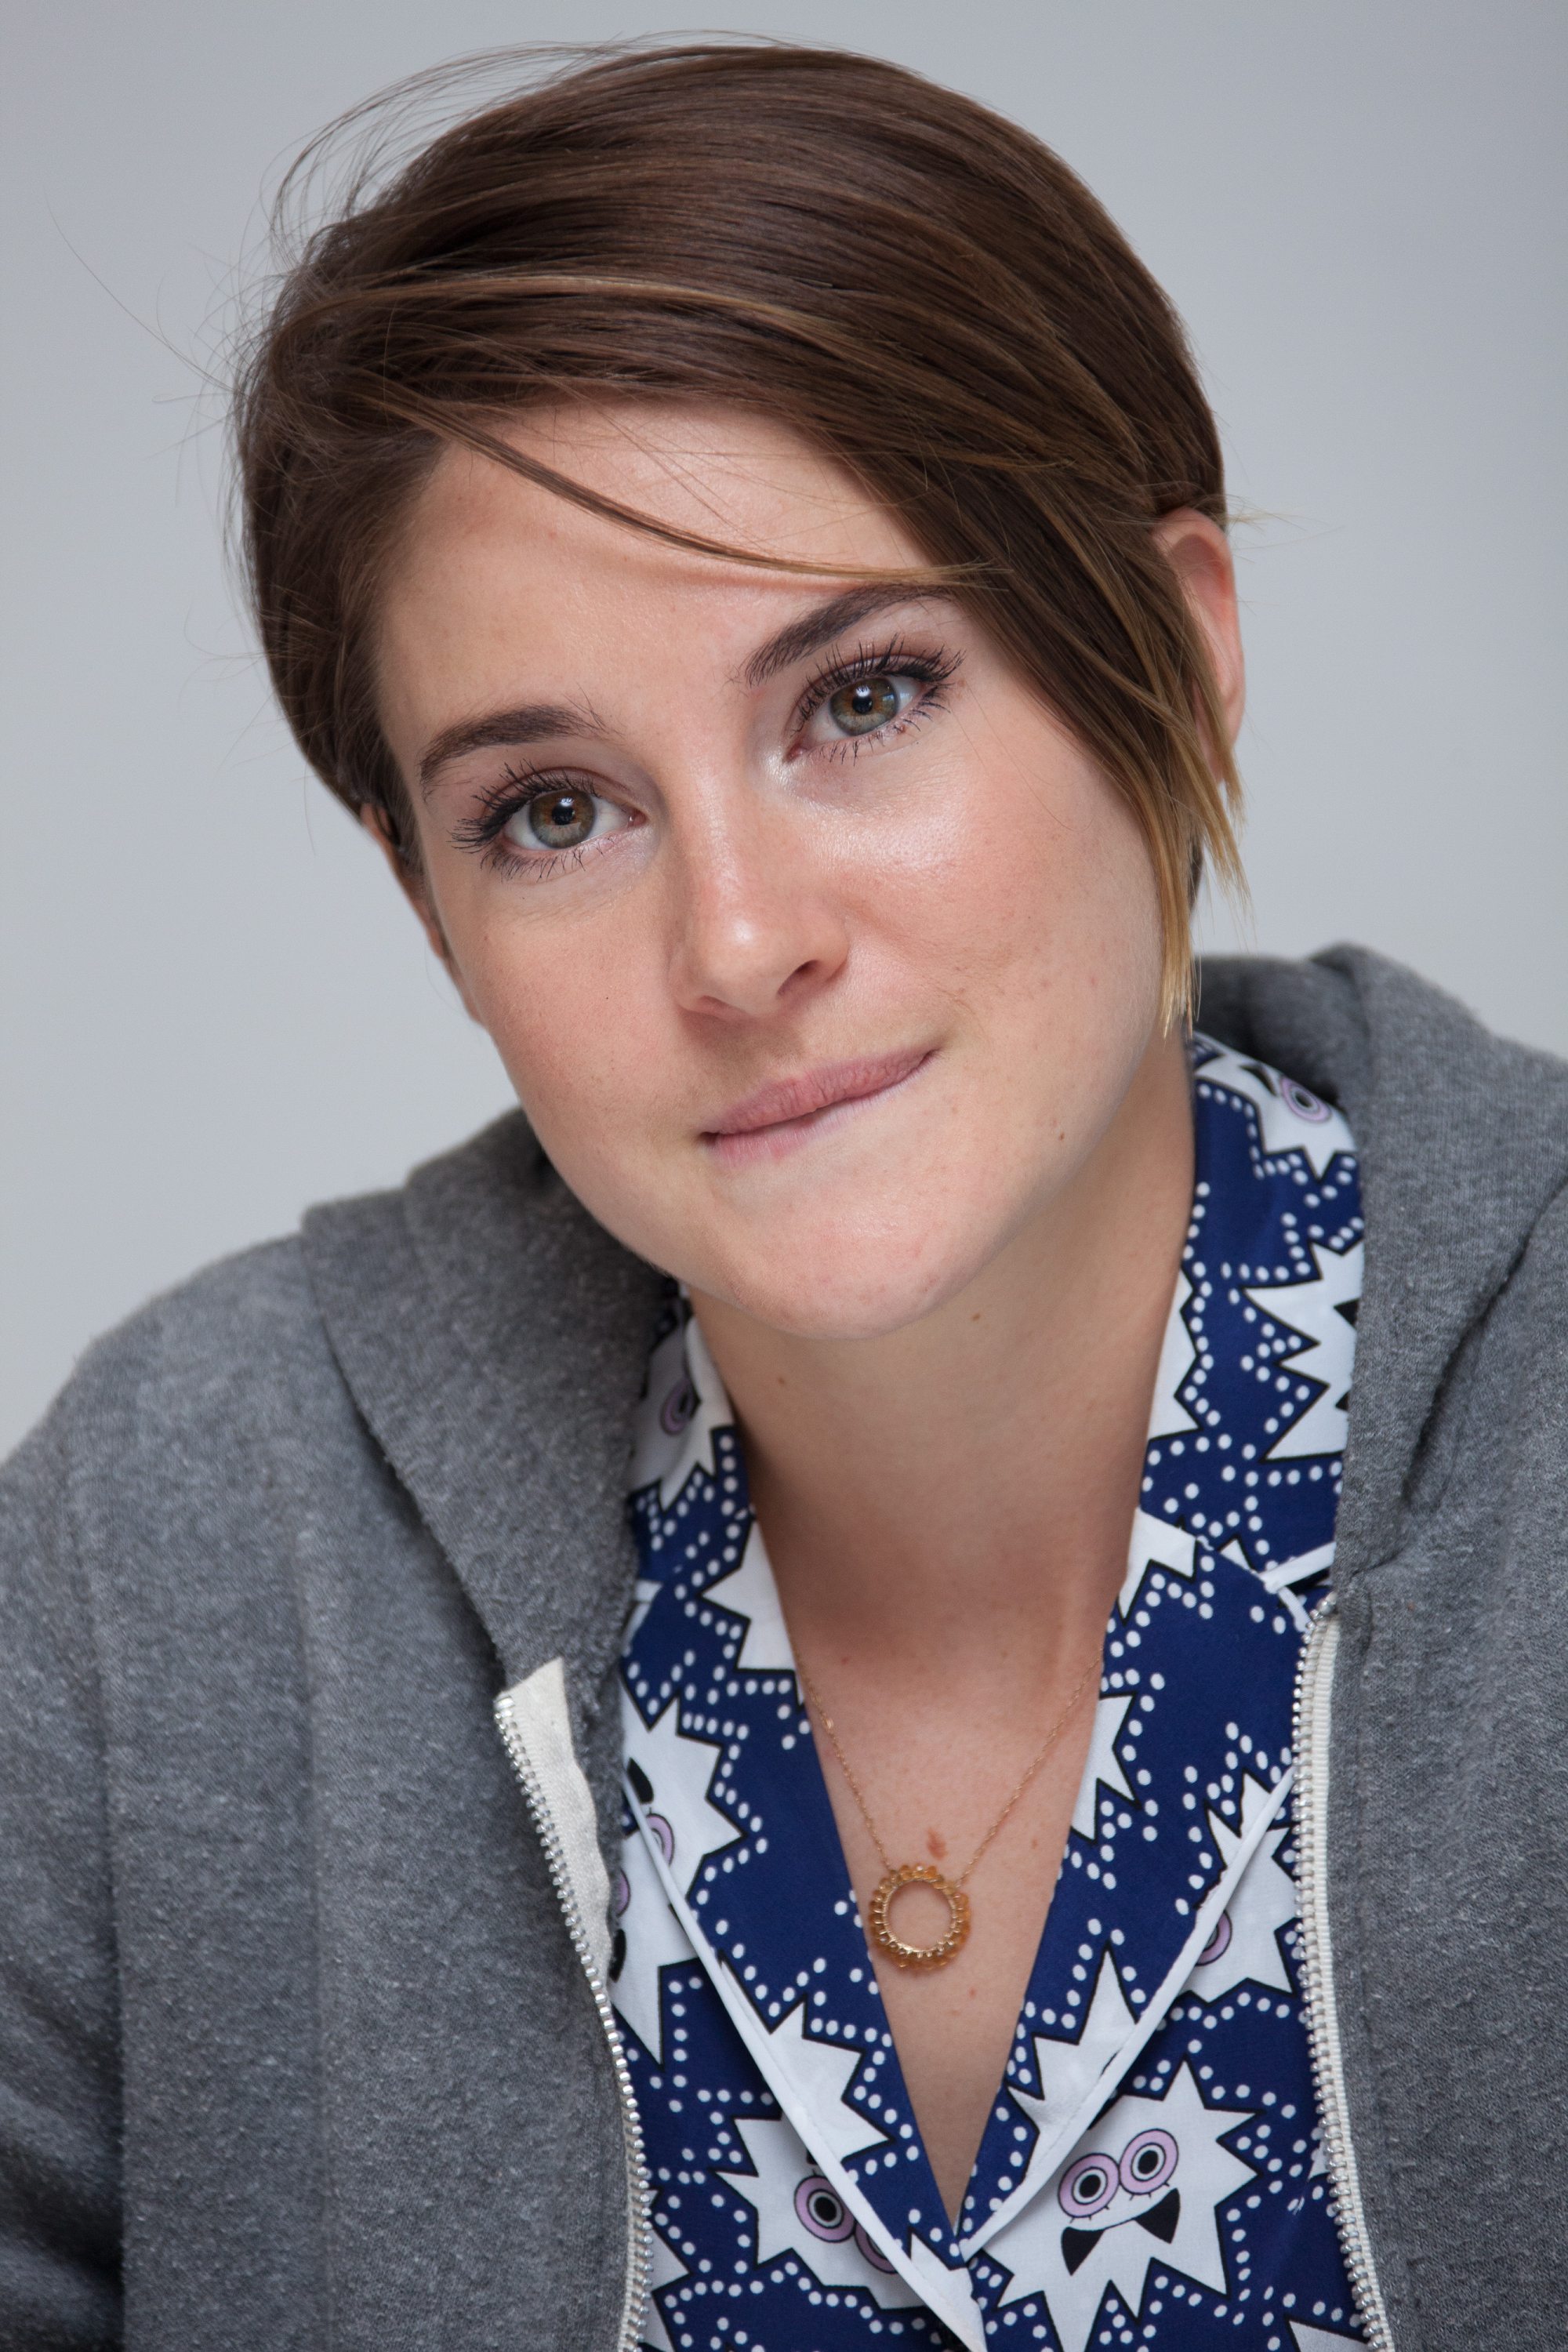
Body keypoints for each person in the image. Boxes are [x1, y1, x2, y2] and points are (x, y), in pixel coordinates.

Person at [2, 39, 1565, 2352]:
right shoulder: (170, 1554)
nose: (738, 947)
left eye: (865, 694)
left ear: (1178, 655)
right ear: (431, 905)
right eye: (552, 810)